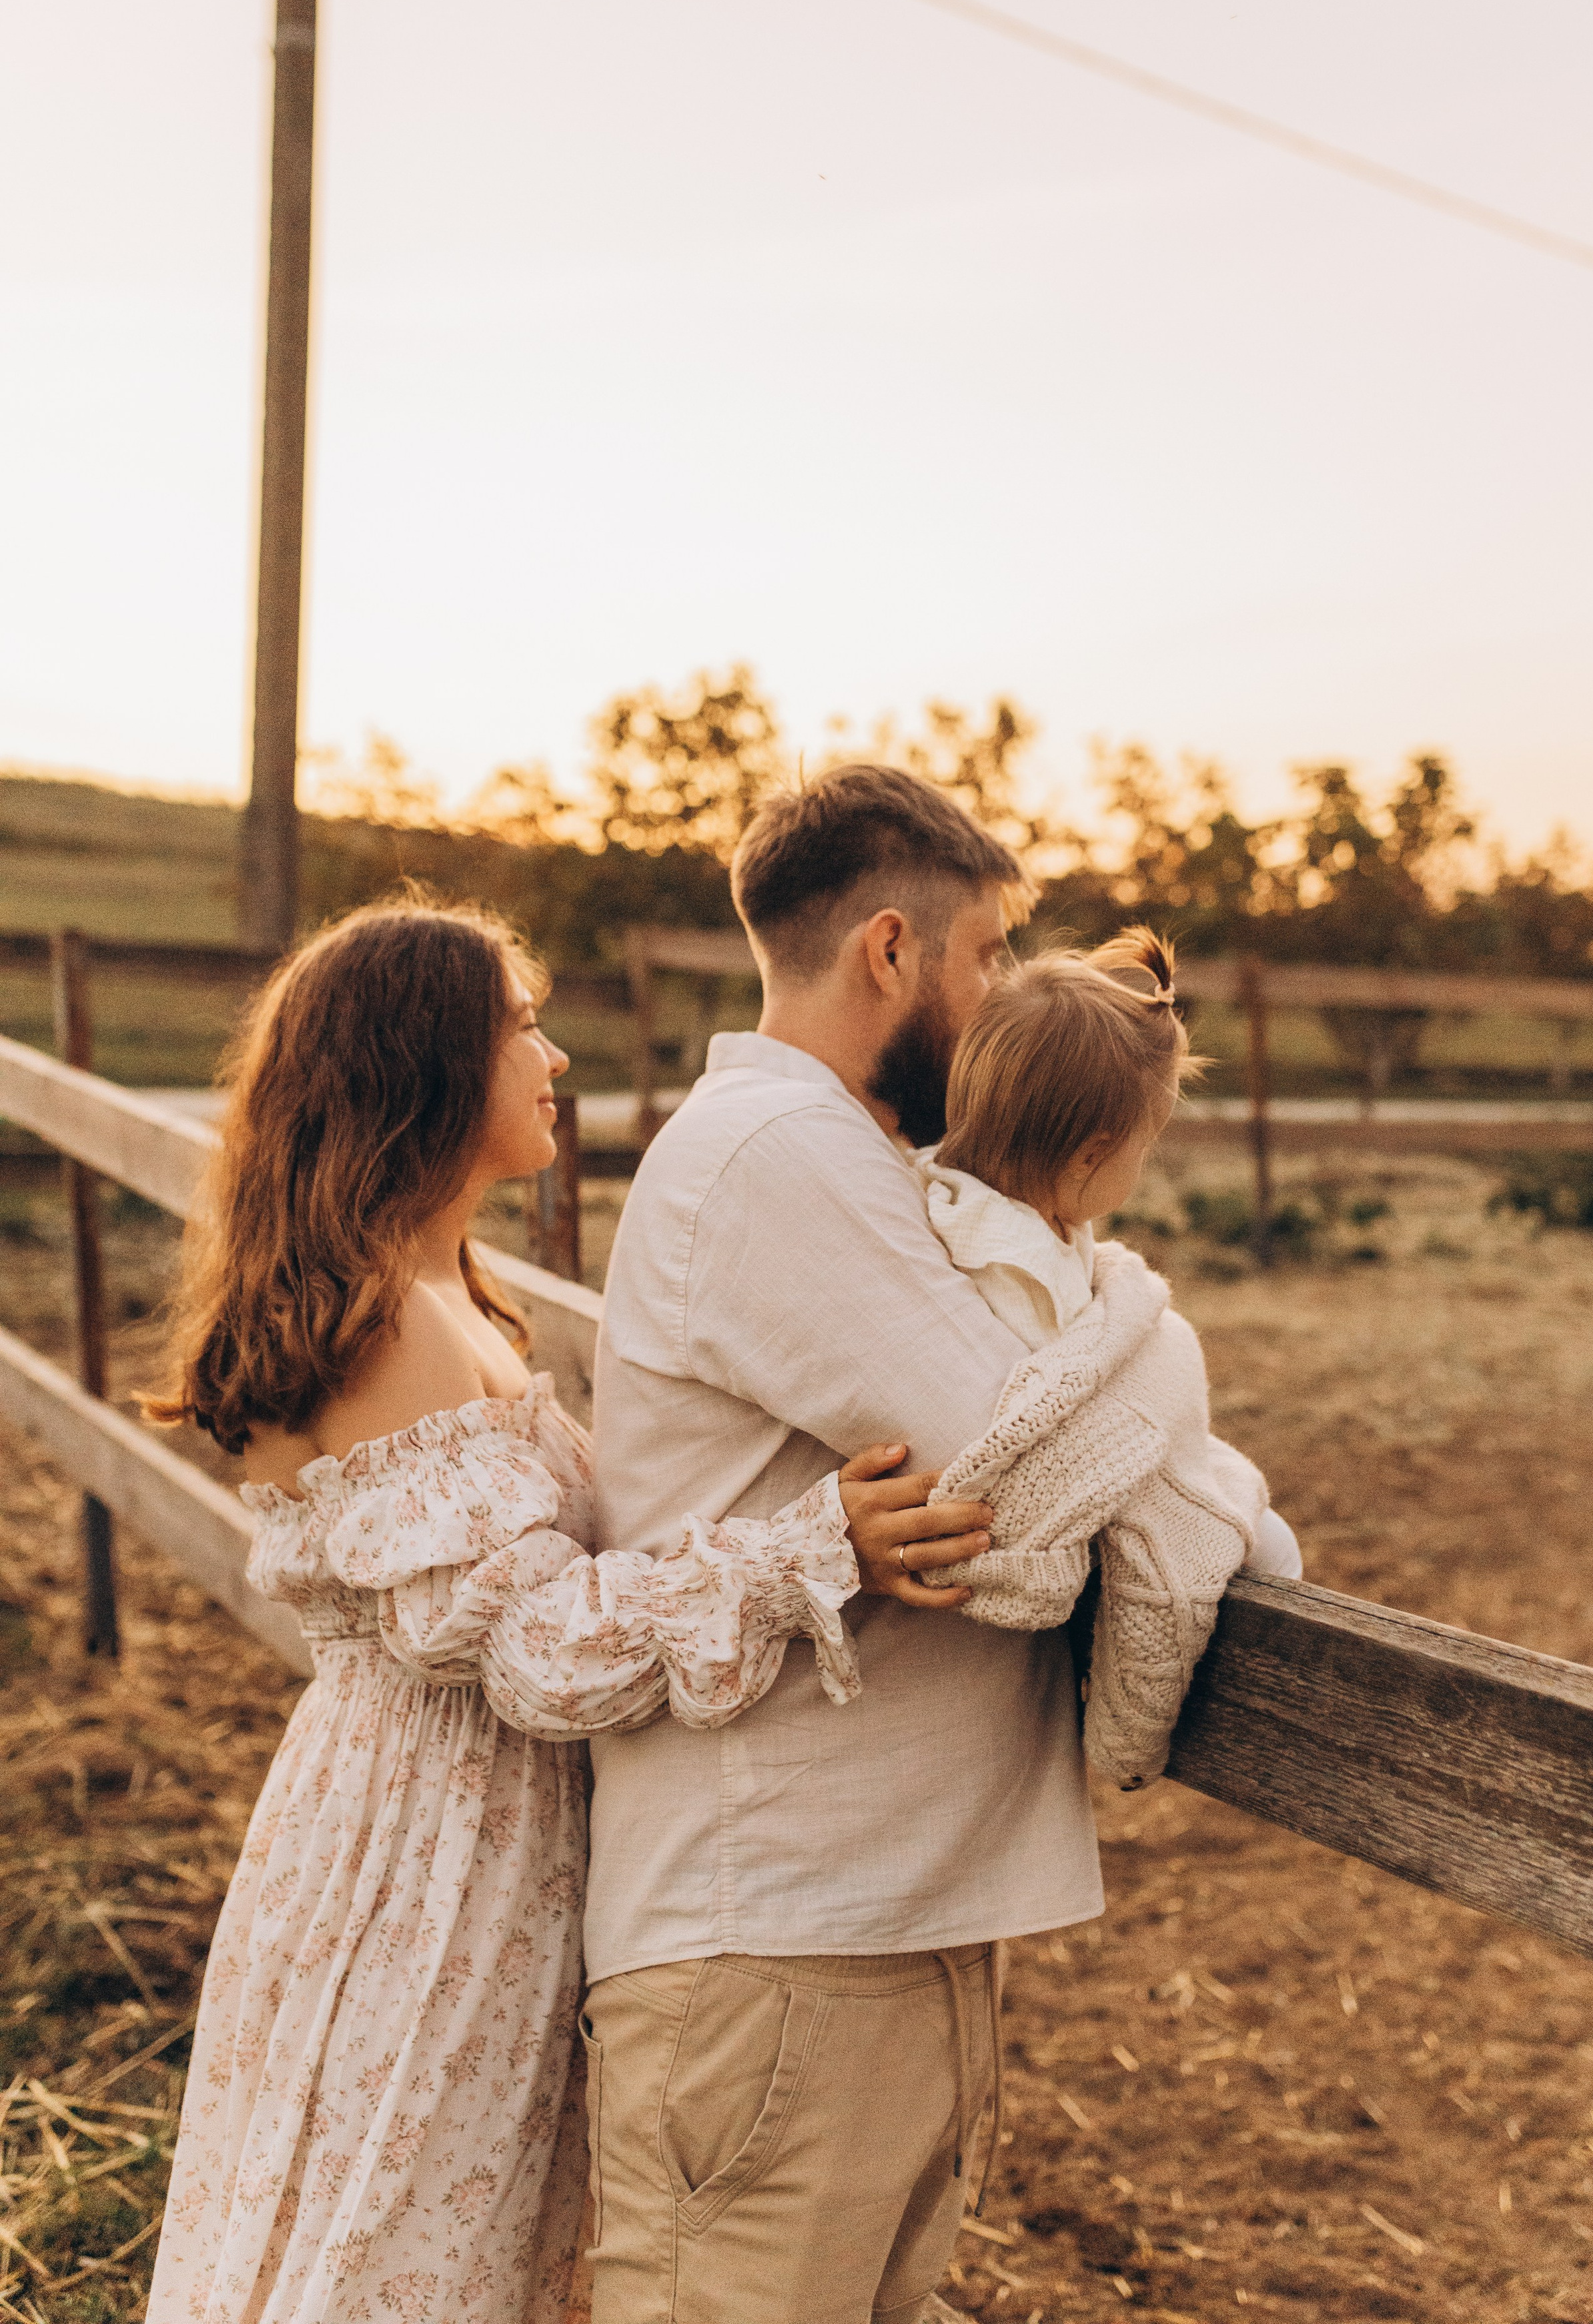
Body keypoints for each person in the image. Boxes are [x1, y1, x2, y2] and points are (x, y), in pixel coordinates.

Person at [139, 897, 991, 2324]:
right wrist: (804, 1552)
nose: (554, 1055)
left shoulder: (440, 1294)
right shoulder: (394, 1323)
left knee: (430, 2221)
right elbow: (532, 1648)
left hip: (458, 1839)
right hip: (427, 1858)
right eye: (517, 1025)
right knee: (396, 2234)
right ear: (422, 1062)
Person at [583, 767, 1102, 2324]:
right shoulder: (772, 1159)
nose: (1003, 994)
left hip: (863, 1931)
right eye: (989, 954)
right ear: (892, 950)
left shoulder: (836, 1155)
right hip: (776, 1953)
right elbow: (1032, 1450)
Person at [915, 926, 1303, 1786]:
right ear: (1092, 1155)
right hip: (1086, 1472)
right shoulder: (1007, 1256)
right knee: (1258, 1543)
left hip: (1130, 1444)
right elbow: (1060, 1391)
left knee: (1235, 1500)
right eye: (1142, 1144)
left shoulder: (984, 1205)